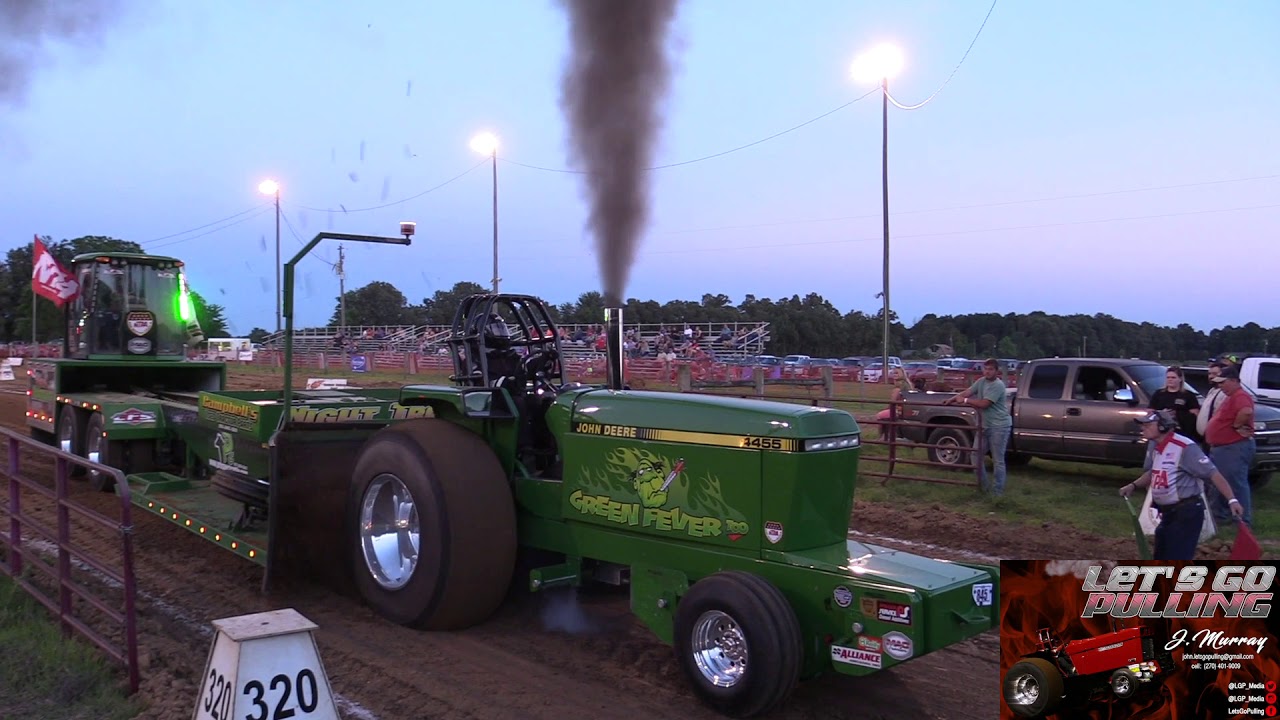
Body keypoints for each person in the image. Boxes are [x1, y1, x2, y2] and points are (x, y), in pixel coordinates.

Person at [1119, 409, 1244, 560]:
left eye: (1148, 425)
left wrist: (1232, 499)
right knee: (1162, 554)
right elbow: (1154, 472)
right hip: (1169, 513)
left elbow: (1212, 473)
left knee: (1177, 556)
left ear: (1163, 426)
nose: (1143, 428)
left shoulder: (1184, 447)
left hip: (1185, 512)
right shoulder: (1157, 447)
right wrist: (1133, 485)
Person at [942, 358, 1011, 496]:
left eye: (991, 369)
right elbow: (967, 392)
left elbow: (985, 403)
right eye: (985, 368)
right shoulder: (981, 382)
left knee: (998, 459)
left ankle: (997, 492)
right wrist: (952, 399)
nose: (987, 371)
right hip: (984, 425)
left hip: (999, 426)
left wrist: (966, 401)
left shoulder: (998, 385)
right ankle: (983, 487)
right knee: (975, 455)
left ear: (996, 371)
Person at [1203, 365, 1256, 526]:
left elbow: (1246, 411)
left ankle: (1242, 520)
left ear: (1233, 381)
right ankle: (1220, 516)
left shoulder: (1240, 396)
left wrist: (1236, 425)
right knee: (1219, 482)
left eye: (1223, 382)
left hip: (1233, 447)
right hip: (1222, 448)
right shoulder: (1231, 396)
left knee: (1236, 483)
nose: (1220, 386)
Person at [1149, 366, 1200, 443]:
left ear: (1180, 379)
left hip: (1182, 432)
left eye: (1173, 377)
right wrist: (1162, 413)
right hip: (1161, 432)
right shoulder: (1159, 394)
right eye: (1168, 377)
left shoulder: (1188, 395)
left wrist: (1177, 414)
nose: (1170, 379)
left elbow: (1195, 414)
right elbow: (1150, 412)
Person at [1194, 361, 1229, 450]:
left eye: (1215, 374)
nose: (1211, 376)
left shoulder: (1223, 394)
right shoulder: (1212, 391)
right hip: (1206, 439)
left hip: (1215, 441)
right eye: (1209, 373)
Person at [873, 367, 914, 440]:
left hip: (899, 410)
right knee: (885, 414)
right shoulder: (907, 384)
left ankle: (883, 437)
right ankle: (887, 436)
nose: (894, 375)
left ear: (902, 374)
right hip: (906, 409)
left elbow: (893, 401)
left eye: (897, 373)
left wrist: (887, 408)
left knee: (879, 415)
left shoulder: (899, 386)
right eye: (894, 373)